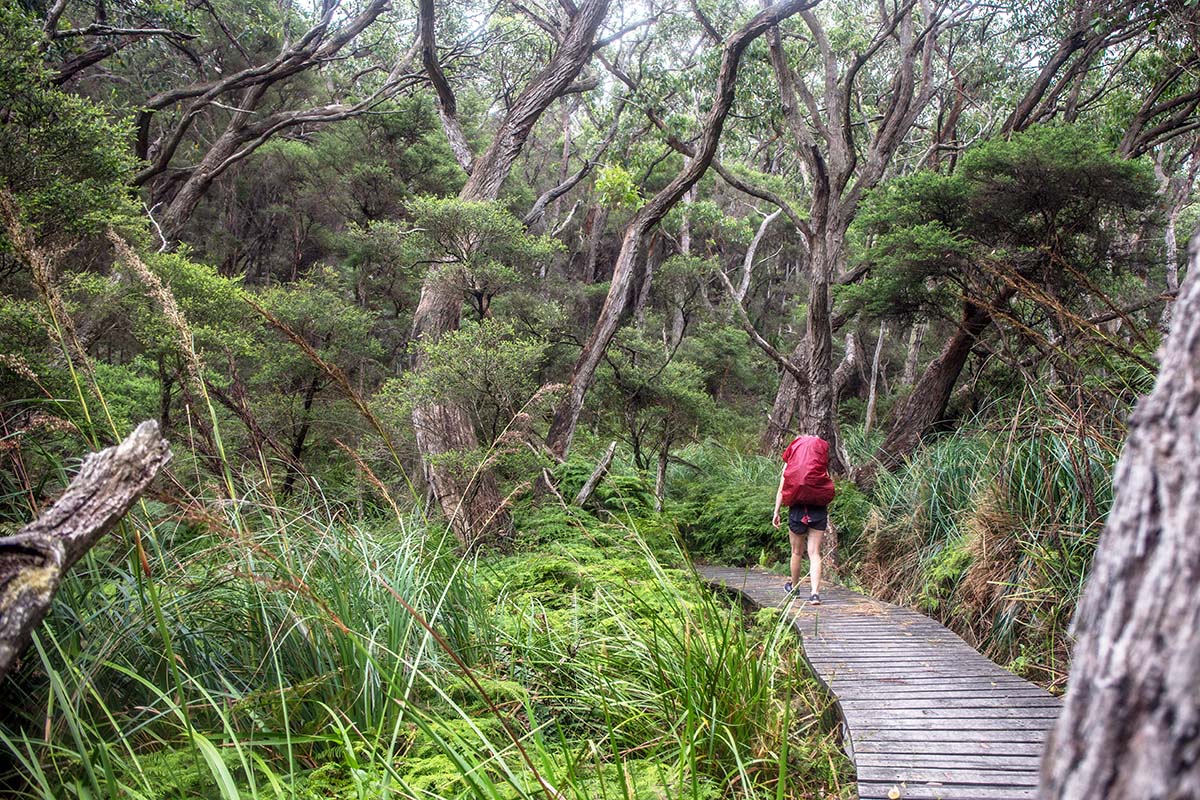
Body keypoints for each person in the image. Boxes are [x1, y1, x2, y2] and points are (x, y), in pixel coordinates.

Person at [771, 434, 835, 605]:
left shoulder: (791, 463)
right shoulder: (818, 463)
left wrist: (776, 511)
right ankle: (814, 594)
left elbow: (782, 487)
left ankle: (794, 587)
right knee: (814, 552)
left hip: (797, 509)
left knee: (796, 552)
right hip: (818, 509)